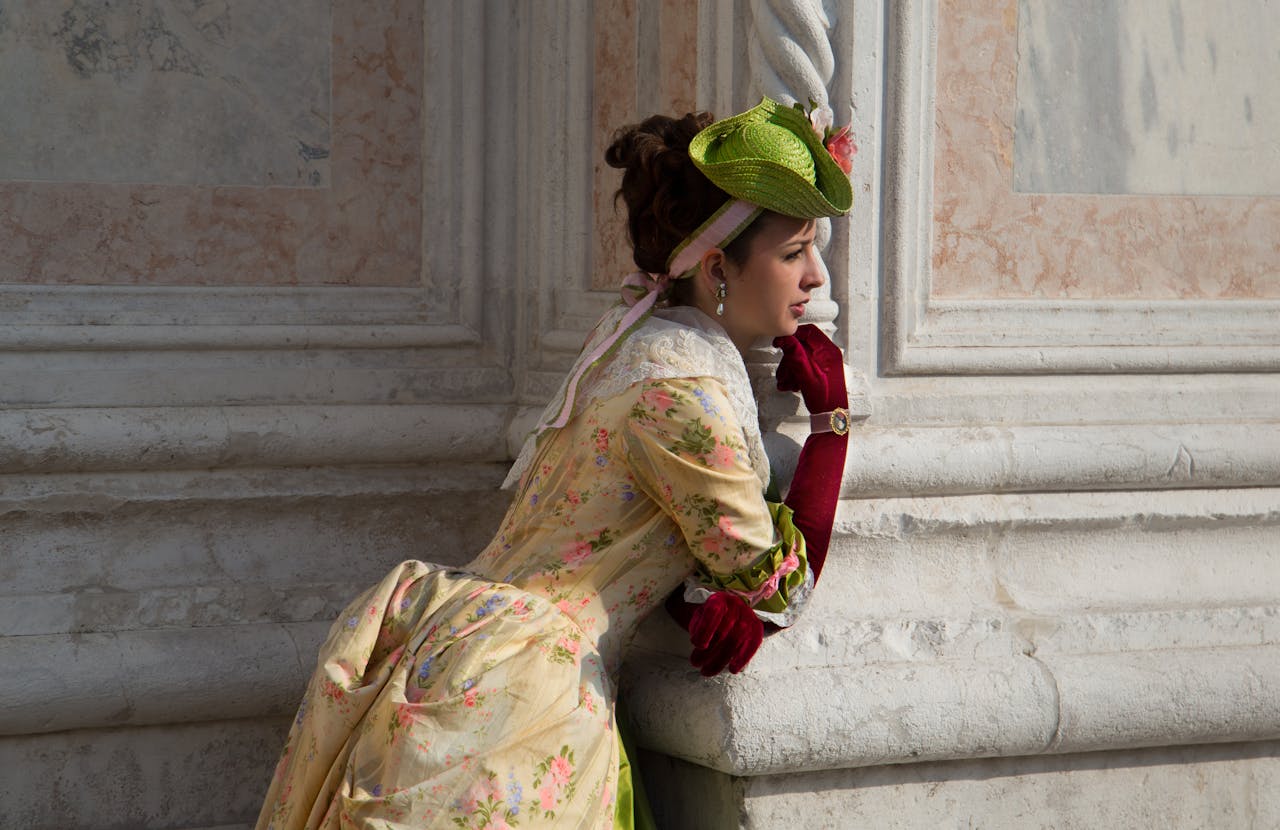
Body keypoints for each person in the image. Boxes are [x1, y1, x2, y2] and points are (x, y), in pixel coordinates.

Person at [256, 96, 854, 830]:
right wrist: (832, 427)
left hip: (470, 651)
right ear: (716, 267)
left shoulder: (636, 344)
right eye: (793, 253)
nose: (817, 278)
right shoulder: (683, 393)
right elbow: (778, 587)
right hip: (521, 696)